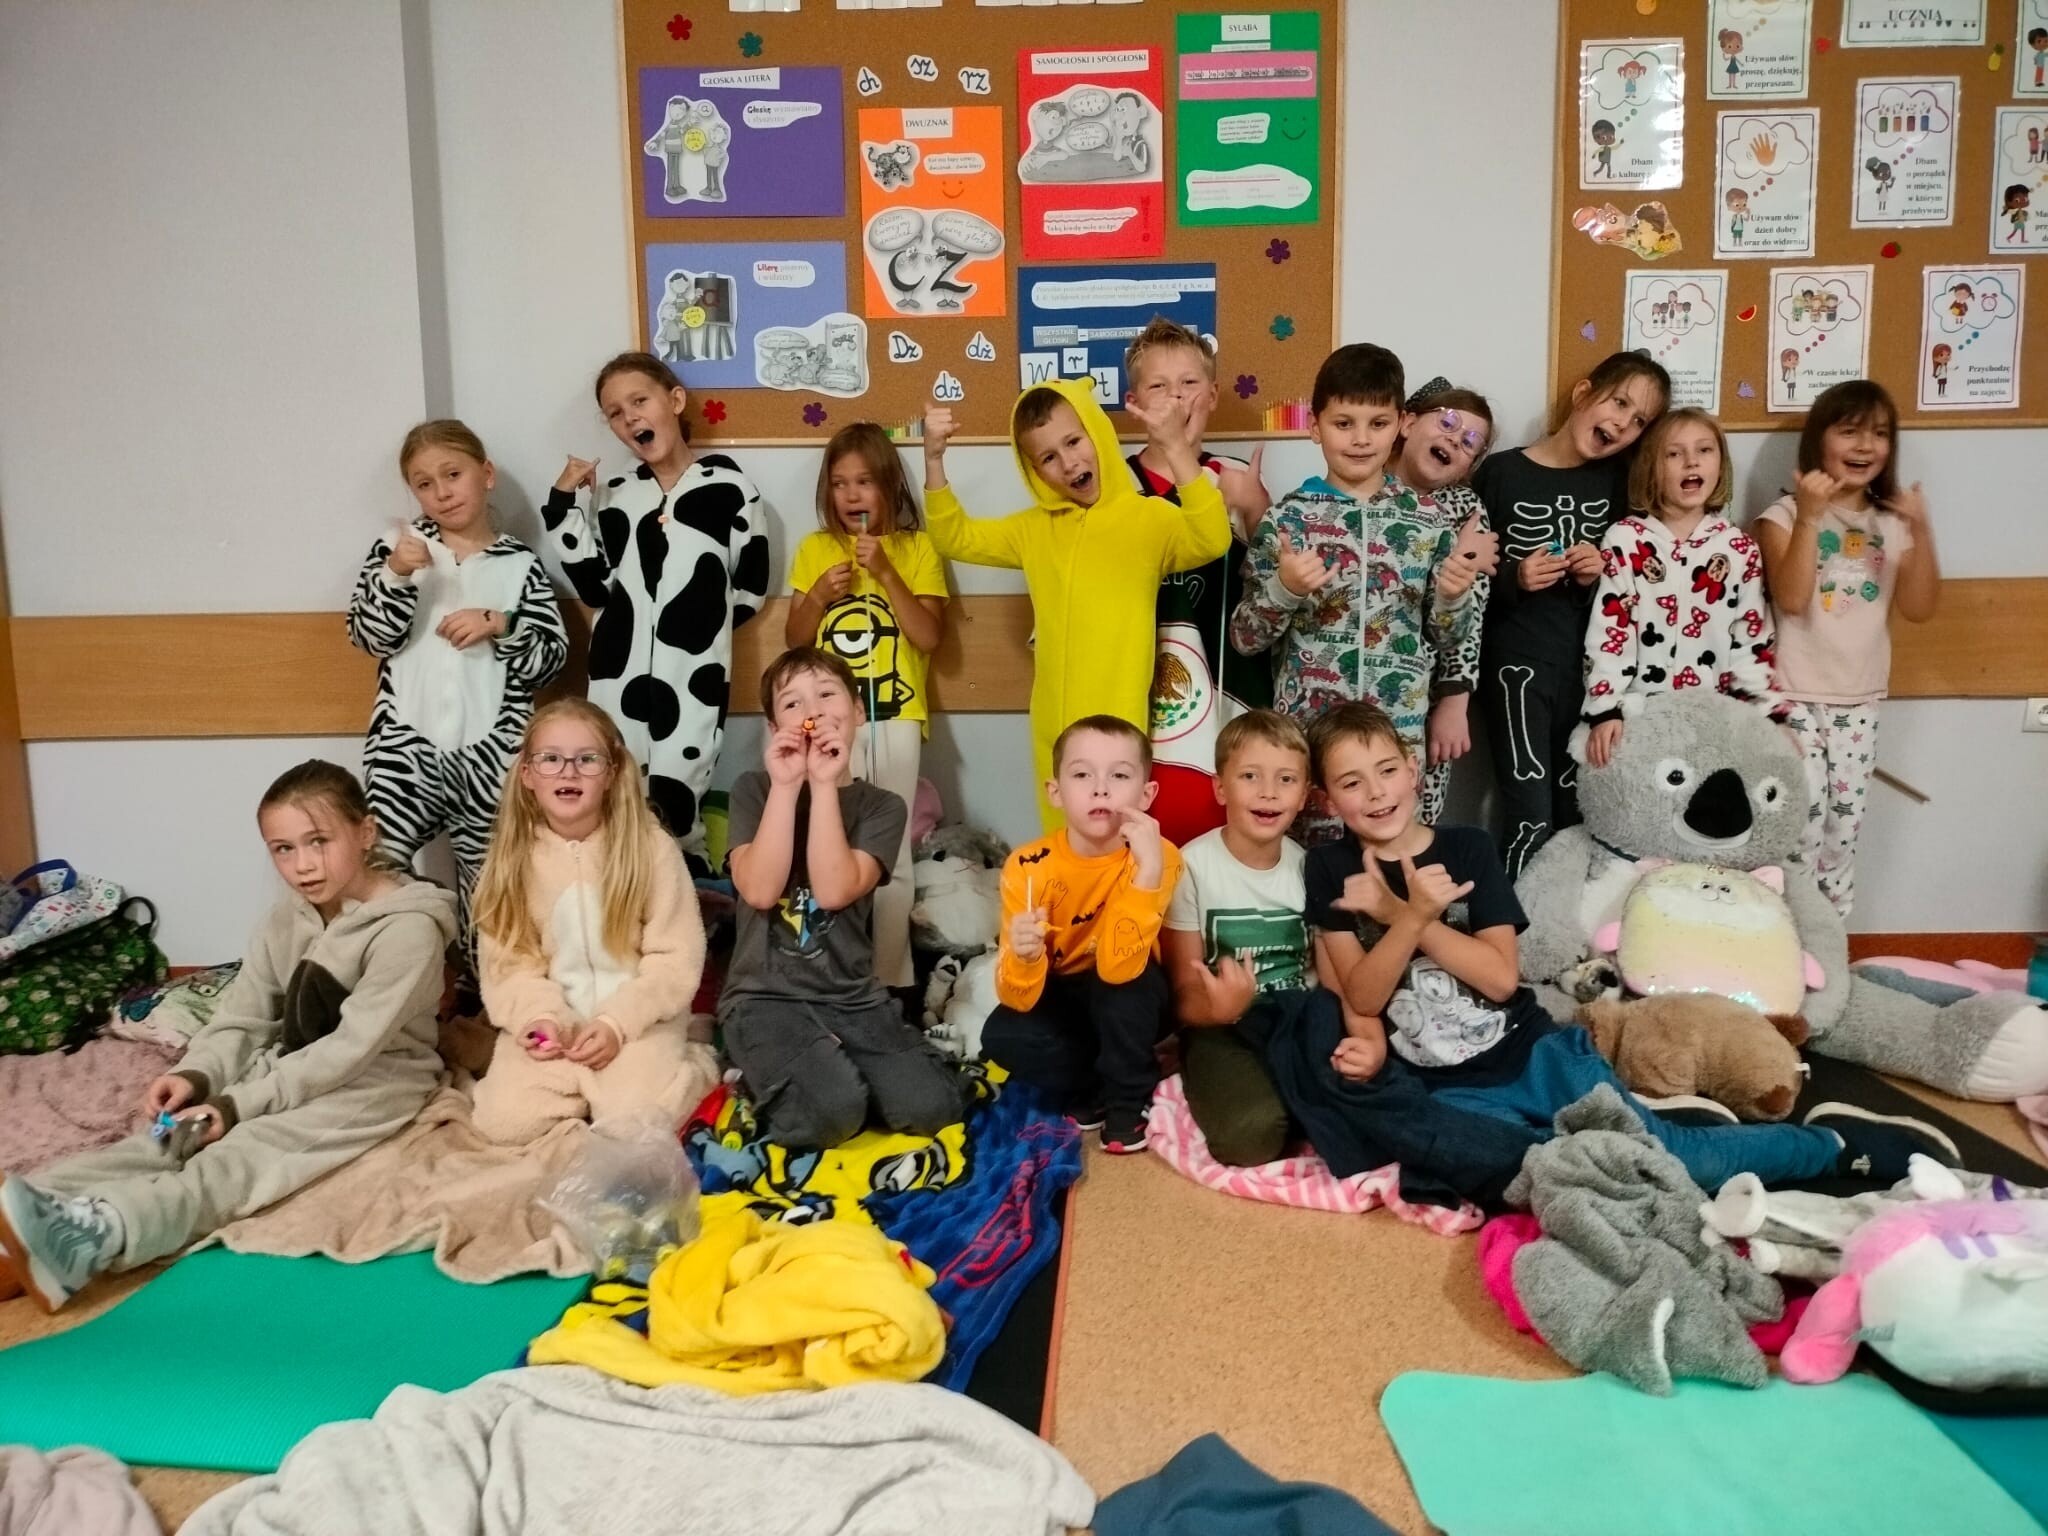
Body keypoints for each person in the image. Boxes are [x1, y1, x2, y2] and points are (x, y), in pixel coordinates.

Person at [1284, 702, 1958, 1205]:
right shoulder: (1329, 870)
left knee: (1665, 1156)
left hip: (1531, 1054)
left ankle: (1831, 1146)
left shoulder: (1466, 849)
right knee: (1553, 1176)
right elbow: (1362, 996)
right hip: (1450, 1089)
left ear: (1413, 768)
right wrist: (1408, 922)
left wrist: (1409, 918)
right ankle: (1659, 1130)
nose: (1376, 793)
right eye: (1351, 783)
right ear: (1327, 797)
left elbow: (1500, 979)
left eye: (1386, 771)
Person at [0, 763, 456, 1313]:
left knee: (238, 1161)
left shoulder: (408, 929)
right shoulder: (284, 920)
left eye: (319, 841)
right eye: (283, 849)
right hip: (288, 1066)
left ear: (366, 831)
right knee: (165, 1139)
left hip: (375, 1082)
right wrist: (197, 1075)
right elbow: (244, 1016)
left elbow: (348, 1051)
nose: (303, 865)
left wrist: (237, 1106)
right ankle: (30, 1209)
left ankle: (100, 1233)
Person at [923, 378, 1228, 829]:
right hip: (1054, 730)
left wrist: (1175, 447)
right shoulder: (1033, 530)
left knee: (1115, 839)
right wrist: (933, 460)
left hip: (1119, 727)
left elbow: (1212, 538)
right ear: (1033, 471)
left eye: (1073, 441)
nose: (1068, 463)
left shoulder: (1149, 518)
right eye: (1048, 457)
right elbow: (954, 537)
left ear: (1097, 432)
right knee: (1062, 845)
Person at [1232, 345, 1491, 845]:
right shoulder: (1289, 520)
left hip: (1396, 739)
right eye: (1343, 423)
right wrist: (1284, 590)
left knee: (1394, 864)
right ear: (1315, 427)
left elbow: (1449, 638)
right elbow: (1245, 639)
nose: (1360, 439)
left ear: (1401, 425)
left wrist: (1451, 598)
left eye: (1377, 423)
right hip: (1308, 739)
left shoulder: (1429, 523)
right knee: (1315, 873)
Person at [721, 647, 967, 1150]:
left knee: (935, 1108)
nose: (811, 711)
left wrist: (825, 786)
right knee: (834, 1114)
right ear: (774, 727)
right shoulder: (753, 790)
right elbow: (760, 890)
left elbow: (833, 891)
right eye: (792, 703)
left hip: (850, 997)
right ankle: (770, 1072)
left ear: (857, 711)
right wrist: (787, 786)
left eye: (827, 695)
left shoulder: (882, 806)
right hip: (764, 997)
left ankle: (822, 1063)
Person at [348, 420, 567, 968]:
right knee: (377, 871)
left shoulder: (520, 565)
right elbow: (369, 636)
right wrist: (397, 576)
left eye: (453, 474)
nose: (442, 492)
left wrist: (500, 623)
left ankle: (481, 990)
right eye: (424, 484)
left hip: (493, 756)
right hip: (404, 750)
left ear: (485, 475)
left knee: (495, 884)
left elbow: (549, 662)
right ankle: (391, 981)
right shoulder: (398, 552)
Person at [542, 352, 770, 865]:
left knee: (676, 807)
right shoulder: (614, 495)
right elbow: (594, 586)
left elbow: (750, 588)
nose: (630, 418)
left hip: (694, 674)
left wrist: (693, 630)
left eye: (639, 401)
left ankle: (687, 905)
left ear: (675, 401)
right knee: (612, 799)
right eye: (615, 413)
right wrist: (562, 505)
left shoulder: (731, 489)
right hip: (615, 674)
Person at [469, 699, 718, 1143]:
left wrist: (617, 1024)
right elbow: (510, 965)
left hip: (638, 1021)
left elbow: (675, 958)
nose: (569, 772)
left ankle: (697, 1061)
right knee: (502, 1125)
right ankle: (578, 1091)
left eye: (587, 759)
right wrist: (540, 1018)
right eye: (550, 759)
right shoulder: (512, 860)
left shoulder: (650, 849)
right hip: (555, 1026)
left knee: (634, 1124)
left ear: (612, 773)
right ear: (527, 774)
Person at [1473, 351, 1669, 878]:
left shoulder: (1619, 484)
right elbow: (1466, 574)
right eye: (1619, 403)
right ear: (1583, 394)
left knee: (1576, 812)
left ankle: (1567, 921)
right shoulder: (1502, 472)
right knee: (1529, 815)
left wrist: (1592, 577)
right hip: (1515, 667)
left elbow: (1630, 590)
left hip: (1587, 677)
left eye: (1639, 421)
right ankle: (1508, 921)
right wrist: (1515, 578)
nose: (1623, 424)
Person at [1754, 380, 1940, 916]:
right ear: (1819, 440)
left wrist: (1921, 529)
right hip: (1792, 696)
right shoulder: (1783, 516)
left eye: (1879, 433)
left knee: (1842, 829)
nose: (1865, 445)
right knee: (1798, 822)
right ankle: (1782, 932)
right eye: (1850, 431)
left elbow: (1920, 606)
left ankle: (1830, 937)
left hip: (1858, 702)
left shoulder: (1891, 522)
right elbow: (1791, 600)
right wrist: (1811, 516)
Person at [785, 423, 949, 994]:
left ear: (890, 486)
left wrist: (885, 572)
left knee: (891, 854)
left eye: (865, 482)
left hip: (895, 718)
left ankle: (891, 980)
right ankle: (833, 975)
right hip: (825, 723)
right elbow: (795, 640)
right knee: (825, 845)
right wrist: (819, 596)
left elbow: (928, 636)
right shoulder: (815, 549)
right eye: (839, 483)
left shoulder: (915, 548)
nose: (852, 494)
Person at [980, 715, 1180, 1153]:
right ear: (1055, 791)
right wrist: (1026, 957)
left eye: (1119, 776)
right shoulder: (1027, 865)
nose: (1100, 789)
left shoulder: (1159, 855)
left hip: (1132, 990)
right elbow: (1017, 998)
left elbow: (1119, 966)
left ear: (1146, 795)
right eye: (1082, 775)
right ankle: (1098, 1082)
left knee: (1122, 987)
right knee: (1000, 1036)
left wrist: (1147, 872)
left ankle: (1127, 1100)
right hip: (1067, 993)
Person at [1121, 316, 1274, 847]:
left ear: (1211, 395)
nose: (1176, 398)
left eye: (1189, 383)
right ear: (1133, 402)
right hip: (1141, 694)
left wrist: (1255, 511)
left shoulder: (1234, 477)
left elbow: (1275, 585)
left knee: (1224, 841)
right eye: (1158, 387)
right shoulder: (1114, 486)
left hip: (1228, 693)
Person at [1162, 711, 1316, 1167]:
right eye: (1250, 776)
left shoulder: (1310, 868)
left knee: (1359, 1109)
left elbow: (1328, 976)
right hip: (1222, 1028)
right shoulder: (1191, 866)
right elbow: (1183, 995)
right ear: (1220, 788)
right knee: (1249, 1138)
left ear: (1304, 795)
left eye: (1286, 779)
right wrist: (1220, 1007)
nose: (1268, 792)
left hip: (1296, 1019)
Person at [1580, 409, 1775, 768]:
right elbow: (1611, 631)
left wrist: (1766, 716)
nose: (1691, 462)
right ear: (1651, 468)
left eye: (1704, 450)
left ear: (1720, 463)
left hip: (1716, 719)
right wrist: (1604, 708)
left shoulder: (1739, 548)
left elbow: (1752, 639)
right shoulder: (1625, 540)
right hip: (1639, 718)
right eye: (1674, 453)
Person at [1392, 378, 1502, 825]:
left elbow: (1471, 615)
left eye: (1470, 442)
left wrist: (1455, 701)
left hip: (1422, 695)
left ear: (1467, 467)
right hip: (1348, 684)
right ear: (1408, 424)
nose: (1455, 439)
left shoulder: (1464, 510)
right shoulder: (1364, 481)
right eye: (1448, 423)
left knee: (1409, 816)